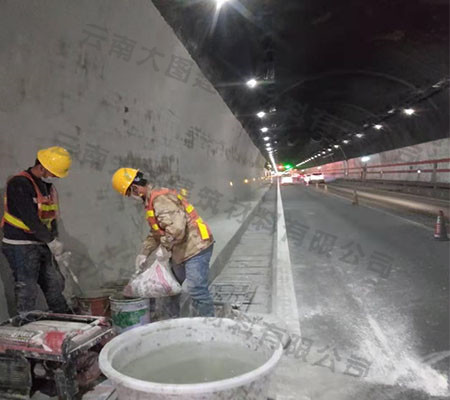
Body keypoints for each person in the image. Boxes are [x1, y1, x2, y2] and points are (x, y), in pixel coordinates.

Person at [112, 168, 215, 317]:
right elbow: (156, 232)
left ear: (135, 188)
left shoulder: (161, 199)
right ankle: (171, 321)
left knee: (196, 289)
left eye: (129, 193)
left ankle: (208, 325)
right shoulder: (151, 201)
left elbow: (177, 229)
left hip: (196, 246)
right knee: (168, 288)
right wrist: (144, 253)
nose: (131, 197)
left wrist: (164, 247)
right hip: (181, 249)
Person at [1, 146, 72, 314]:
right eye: (53, 173)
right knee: (27, 288)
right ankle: (25, 323)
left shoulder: (48, 187)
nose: (55, 177)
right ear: (42, 167)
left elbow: (51, 217)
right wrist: (51, 241)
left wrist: (55, 243)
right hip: (20, 245)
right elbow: (30, 218)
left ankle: (65, 317)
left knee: (54, 284)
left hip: (42, 243)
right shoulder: (19, 184)